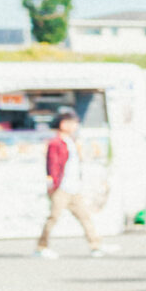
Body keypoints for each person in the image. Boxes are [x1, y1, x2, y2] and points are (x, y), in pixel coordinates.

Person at [36, 111, 112, 258]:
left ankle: (95, 245)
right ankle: (41, 247)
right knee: (53, 217)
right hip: (61, 188)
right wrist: (52, 183)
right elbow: (53, 164)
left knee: (84, 216)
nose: (76, 126)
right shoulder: (55, 142)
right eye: (73, 123)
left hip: (73, 187)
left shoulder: (71, 141)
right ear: (63, 124)